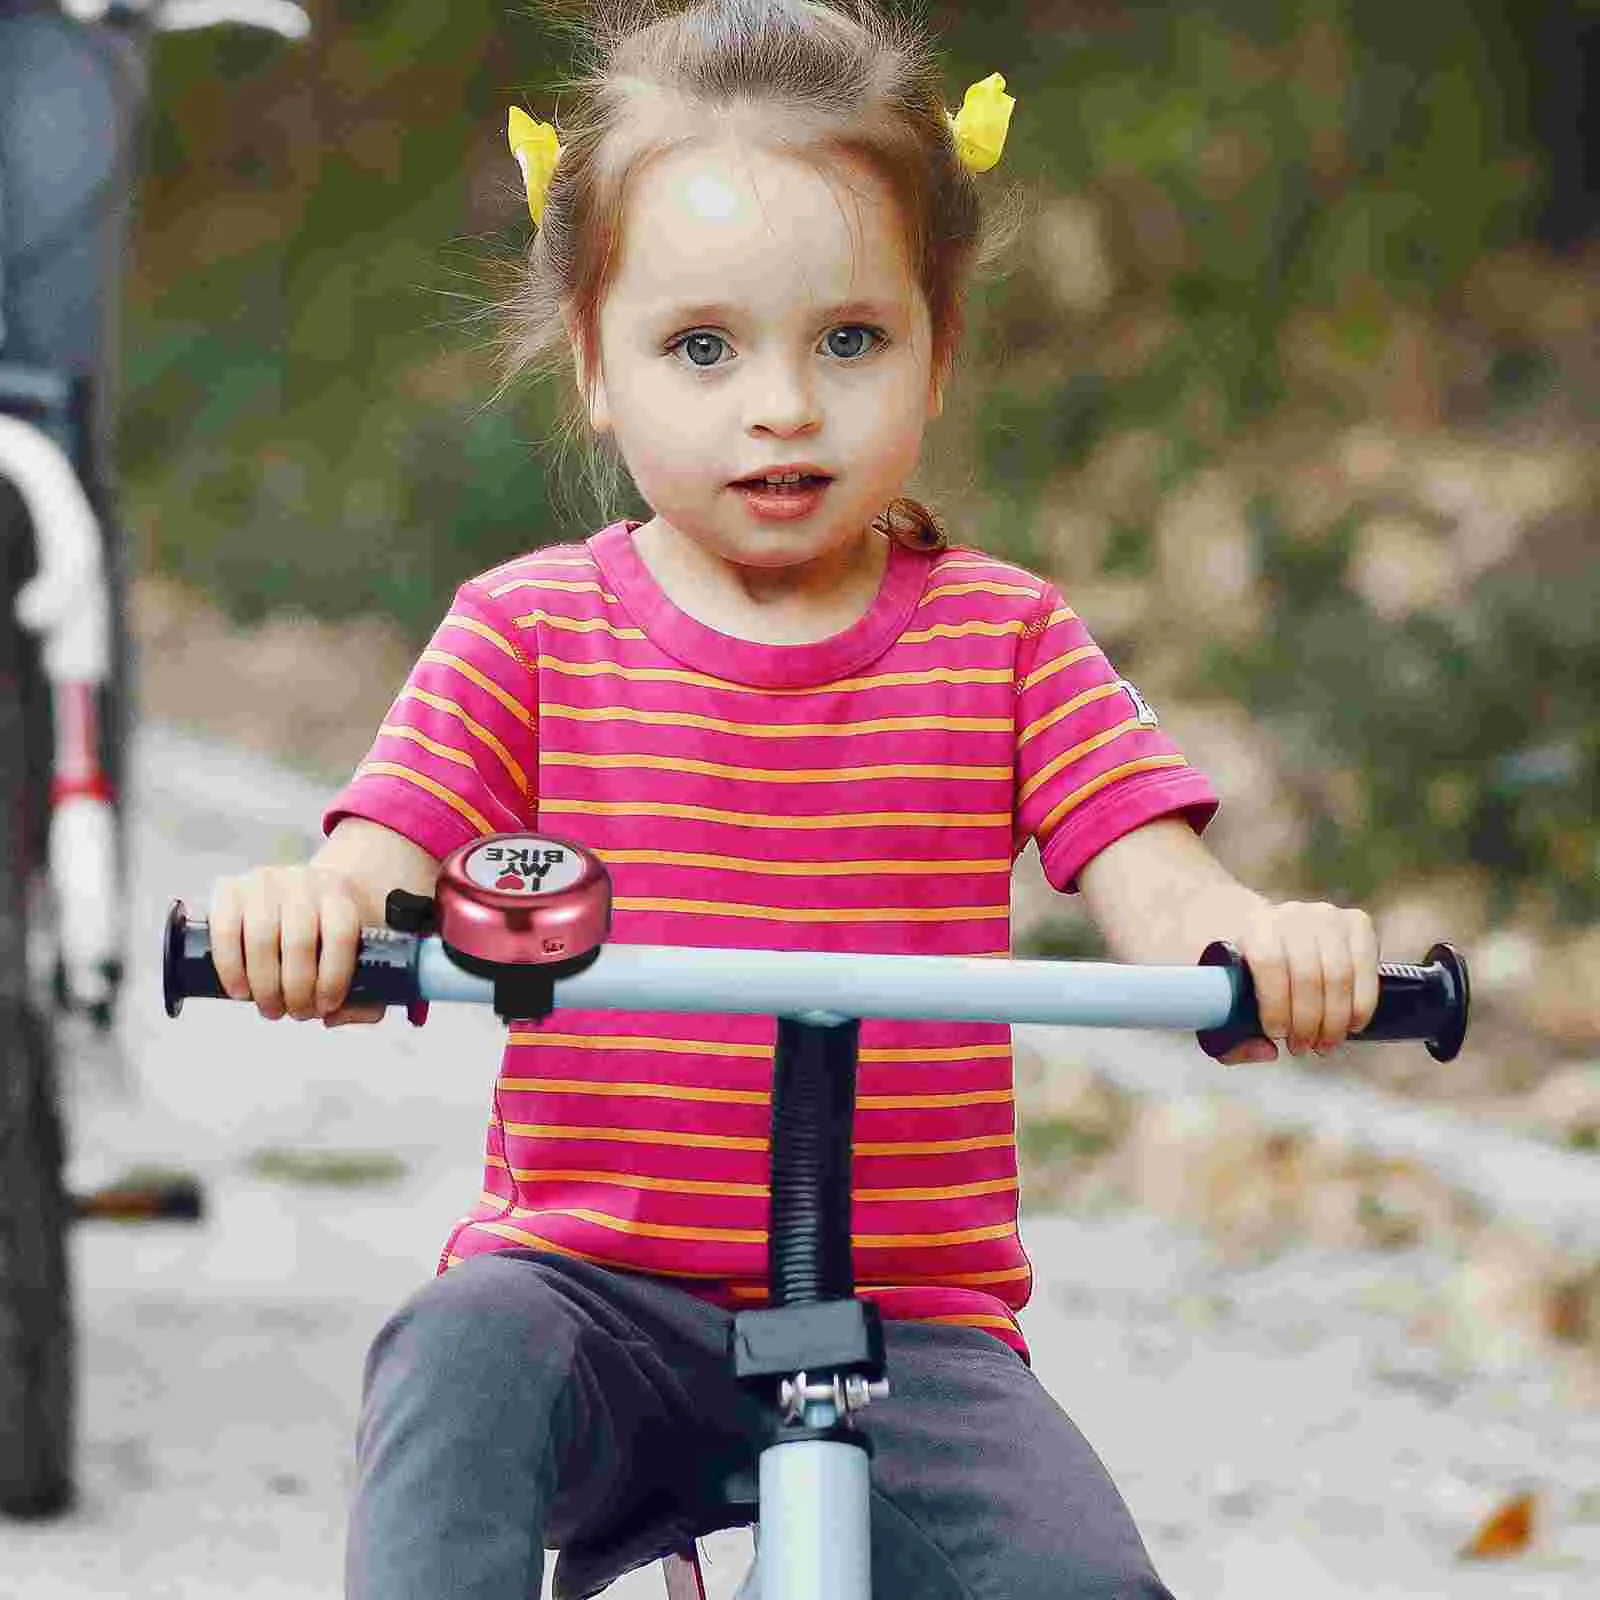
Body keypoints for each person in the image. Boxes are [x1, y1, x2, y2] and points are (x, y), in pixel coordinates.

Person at [207, 3, 1382, 1596]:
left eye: (849, 340)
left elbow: (1164, 892)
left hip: (913, 1334)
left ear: (938, 347)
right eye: (703, 347)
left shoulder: (1007, 638)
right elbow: (372, 862)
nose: (781, 405)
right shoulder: (529, 633)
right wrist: (317, 916)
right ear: (598, 371)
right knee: (453, 1355)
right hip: (591, 1299)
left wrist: (1259, 951)